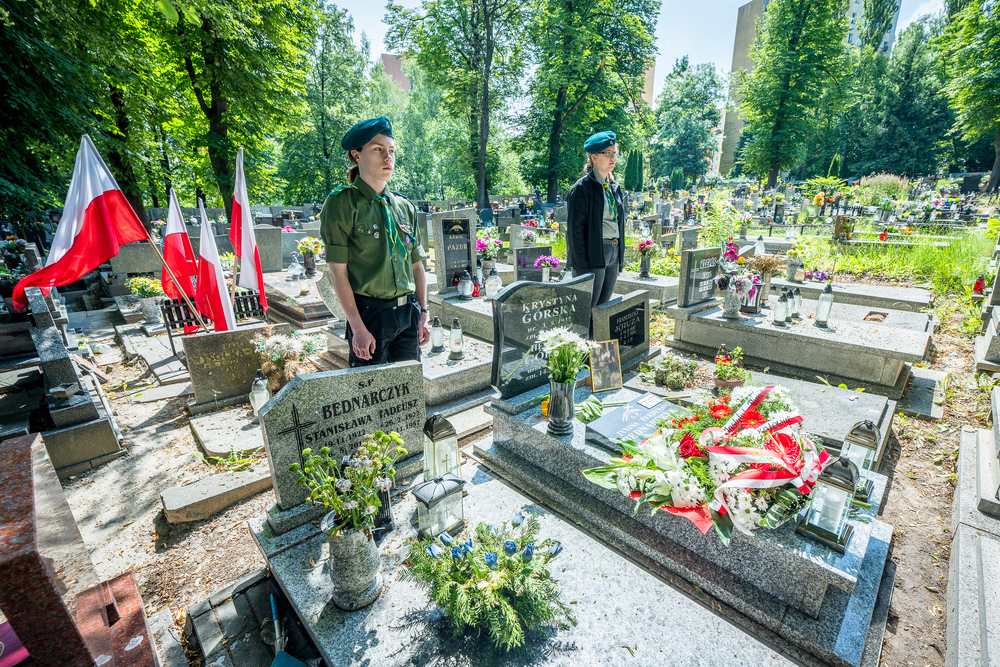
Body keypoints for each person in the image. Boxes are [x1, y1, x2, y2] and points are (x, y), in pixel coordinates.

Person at [321, 116, 430, 367]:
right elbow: (338, 274)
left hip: (408, 314)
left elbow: (417, 266)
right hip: (370, 318)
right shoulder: (342, 203)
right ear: (357, 155)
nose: (388, 157)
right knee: (372, 395)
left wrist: (424, 314)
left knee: (408, 389)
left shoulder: (405, 207)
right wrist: (357, 327)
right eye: (378, 149)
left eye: (391, 150)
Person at [566, 131, 625, 310]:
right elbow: (575, 231)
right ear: (594, 157)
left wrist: (620, 258)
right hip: (593, 255)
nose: (613, 157)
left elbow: (618, 224)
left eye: (614, 153)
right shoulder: (582, 188)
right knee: (586, 311)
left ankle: (598, 339)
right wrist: (581, 267)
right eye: (607, 153)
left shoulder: (614, 187)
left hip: (613, 254)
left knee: (603, 311)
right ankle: (582, 339)